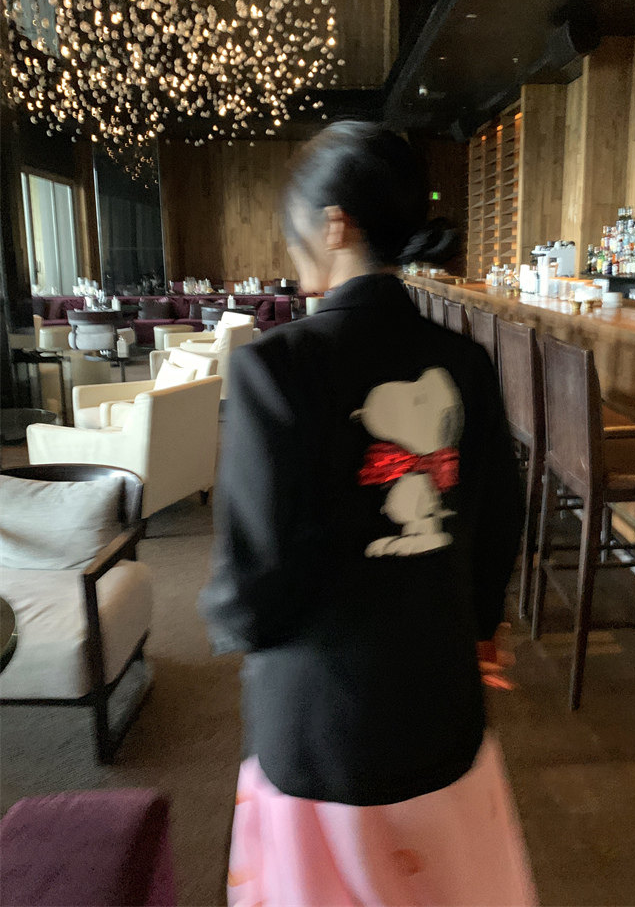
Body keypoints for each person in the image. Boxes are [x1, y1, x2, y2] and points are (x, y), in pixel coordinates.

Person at [200, 121, 537, 907]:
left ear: (335, 225)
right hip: (441, 707)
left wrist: (228, 619)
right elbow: (498, 521)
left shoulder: (273, 367)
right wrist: (479, 629)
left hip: (320, 725)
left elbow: (255, 583)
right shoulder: (465, 362)